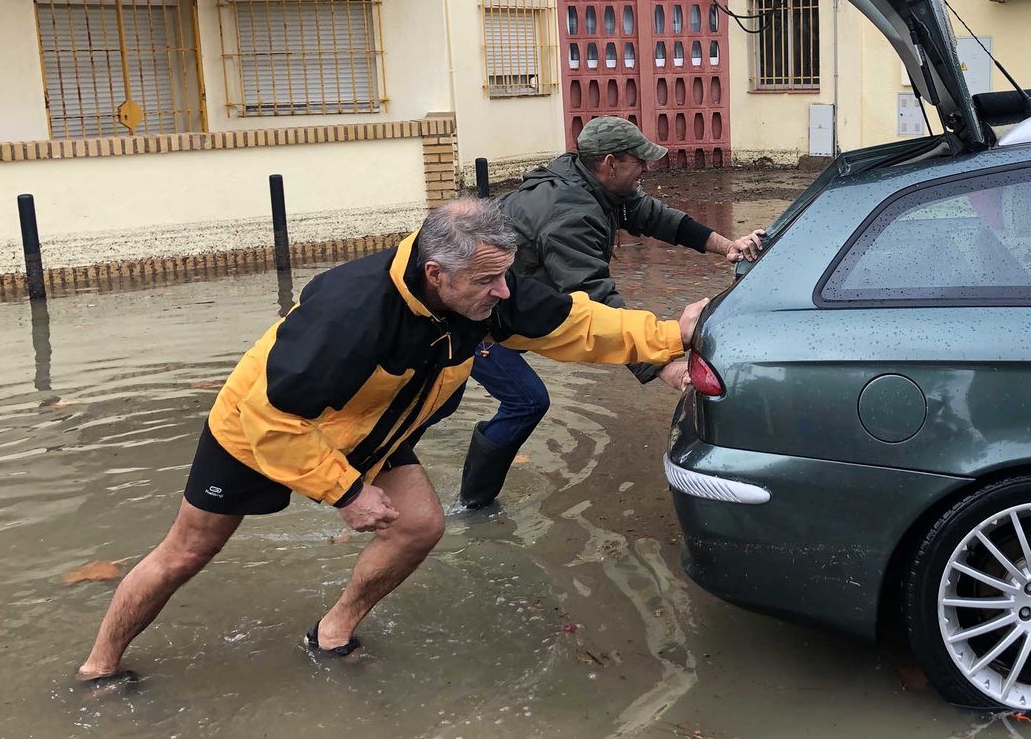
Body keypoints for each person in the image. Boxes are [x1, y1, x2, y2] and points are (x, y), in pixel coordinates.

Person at [76, 198, 705, 685]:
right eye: (489, 280)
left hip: (371, 425)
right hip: (258, 427)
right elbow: (273, 420)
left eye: (505, 275)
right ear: (436, 273)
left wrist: (669, 335)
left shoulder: (484, 290)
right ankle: (99, 667)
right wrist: (346, 492)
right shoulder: (350, 313)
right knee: (186, 552)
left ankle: (331, 632)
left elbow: (574, 323)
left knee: (420, 525)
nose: (503, 291)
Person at [458, 116, 763, 509]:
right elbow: (597, 304)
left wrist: (726, 246)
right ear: (610, 163)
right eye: (639, 161)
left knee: (456, 397)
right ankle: (473, 506)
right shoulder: (571, 214)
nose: (646, 169)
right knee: (526, 401)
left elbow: (654, 216)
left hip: (511, 309)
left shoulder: (588, 181)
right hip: (474, 316)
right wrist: (661, 366)